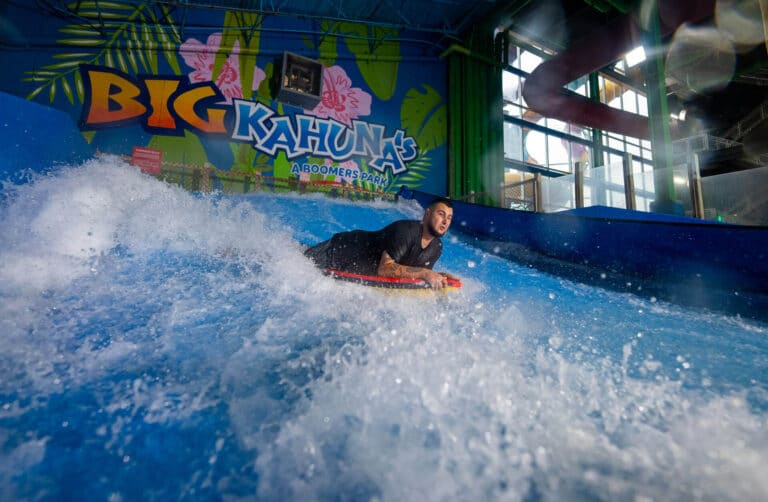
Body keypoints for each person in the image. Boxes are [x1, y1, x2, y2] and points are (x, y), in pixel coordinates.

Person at [304, 197, 457, 289]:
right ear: (428, 213)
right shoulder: (405, 231)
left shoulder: (436, 247)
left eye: (449, 218)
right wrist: (425, 273)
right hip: (338, 251)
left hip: (352, 265)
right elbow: (385, 269)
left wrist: (437, 275)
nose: (445, 221)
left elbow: (414, 270)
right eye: (441, 214)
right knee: (301, 261)